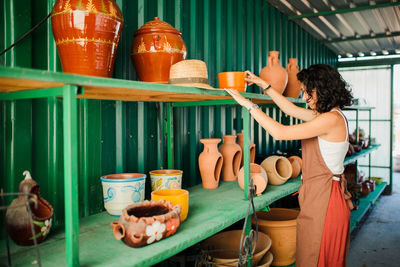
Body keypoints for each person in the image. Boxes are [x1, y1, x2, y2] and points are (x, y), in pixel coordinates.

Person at [225, 64, 354, 267]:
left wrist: (248, 105)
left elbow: (280, 133)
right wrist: (264, 85)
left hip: (326, 202)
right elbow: (290, 109)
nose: (303, 98)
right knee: (312, 257)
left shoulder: (330, 120)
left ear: (321, 89)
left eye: (306, 92)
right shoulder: (328, 116)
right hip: (320, 197)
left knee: (318, 260)